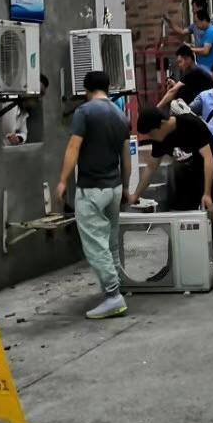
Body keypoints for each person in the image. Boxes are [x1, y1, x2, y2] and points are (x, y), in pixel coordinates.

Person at [132, 106, 213, 287]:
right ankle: (170, 268)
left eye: (151, 134)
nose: (151, 138)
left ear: (161, 124)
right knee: (175, 218)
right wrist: (136, 195)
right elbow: (151, 167)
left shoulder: (190, 123)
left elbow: (209, 159)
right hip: (191, 176)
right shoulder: (160, 138)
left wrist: (207, 194)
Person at [55, 69, 132, 319]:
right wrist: (126, 187)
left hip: (91, 188)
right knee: (111, 243)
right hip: (114, 187)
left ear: (86, 89)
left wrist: (63, 180)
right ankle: (119, 285)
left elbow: (73, 147)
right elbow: (126, 156)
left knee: (96, 245)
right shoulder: (120, 115)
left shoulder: (85, 112)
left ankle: (113, 296)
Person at [165, 0, 213, 73]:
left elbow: (206, 50)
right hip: (202, 64)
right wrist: (169, 22)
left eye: (193, 8)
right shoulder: (199, 26)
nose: (192, 10)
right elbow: (182, 31)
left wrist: (191, 49)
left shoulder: (211, 30)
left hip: (210, 67)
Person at [157, 42, 213, 110]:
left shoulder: (194, 71)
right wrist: (174, 85)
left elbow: (172, 91)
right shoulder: (199, 69)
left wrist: (157, 108)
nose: (179, 65)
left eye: (180, 62)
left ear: (188, 59)